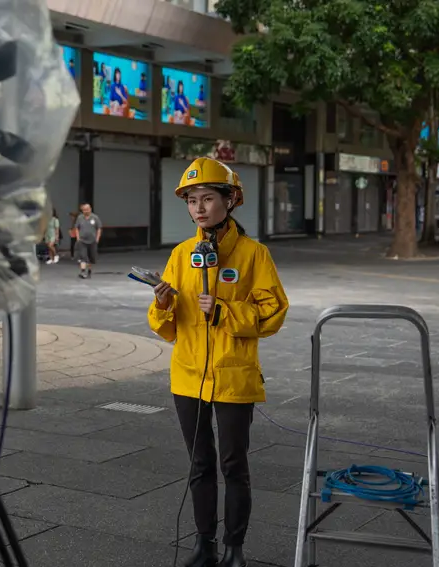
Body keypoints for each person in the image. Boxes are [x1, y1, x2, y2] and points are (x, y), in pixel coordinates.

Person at [147, 157, 289, 567]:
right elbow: (168, 329)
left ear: (231, 200)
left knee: (233, 464)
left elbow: (274, 311)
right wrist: (162, 305)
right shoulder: (181, 254)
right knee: (199, 464)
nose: (199, 208)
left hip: (234, 377)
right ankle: (204, 545)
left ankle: (234, 548)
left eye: (208, 198)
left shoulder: (253, 254)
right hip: (187, 377)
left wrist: (226, 311)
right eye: (192, 200)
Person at [74, 203, 101, 279]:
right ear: (82, 210)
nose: (86, 211)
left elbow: (99, 228)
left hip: (92, 241)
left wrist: (97, 238)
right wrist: (78, 238)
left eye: (87, 209)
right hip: (82, 241)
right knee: (83, 256)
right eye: (84, 210)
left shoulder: (95, 217)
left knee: (91, 258)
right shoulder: (80, 218)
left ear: (90, 209)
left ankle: (89, 271)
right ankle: (82, 271)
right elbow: (76, 228)